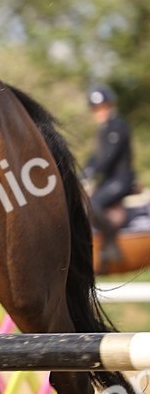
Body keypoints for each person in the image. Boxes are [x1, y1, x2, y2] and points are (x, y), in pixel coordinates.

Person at [82, 85, 135, 267]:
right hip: (108, 181)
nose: (100, 112)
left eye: (103, 107)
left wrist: (92, 171)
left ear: (110, 105)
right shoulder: (103, 129)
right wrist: (84, 171)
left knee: (95, 204)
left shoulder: (118, 126)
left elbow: (109, 156)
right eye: (96, 109)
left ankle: (111, 243)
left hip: (121, 180)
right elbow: (96, 156)